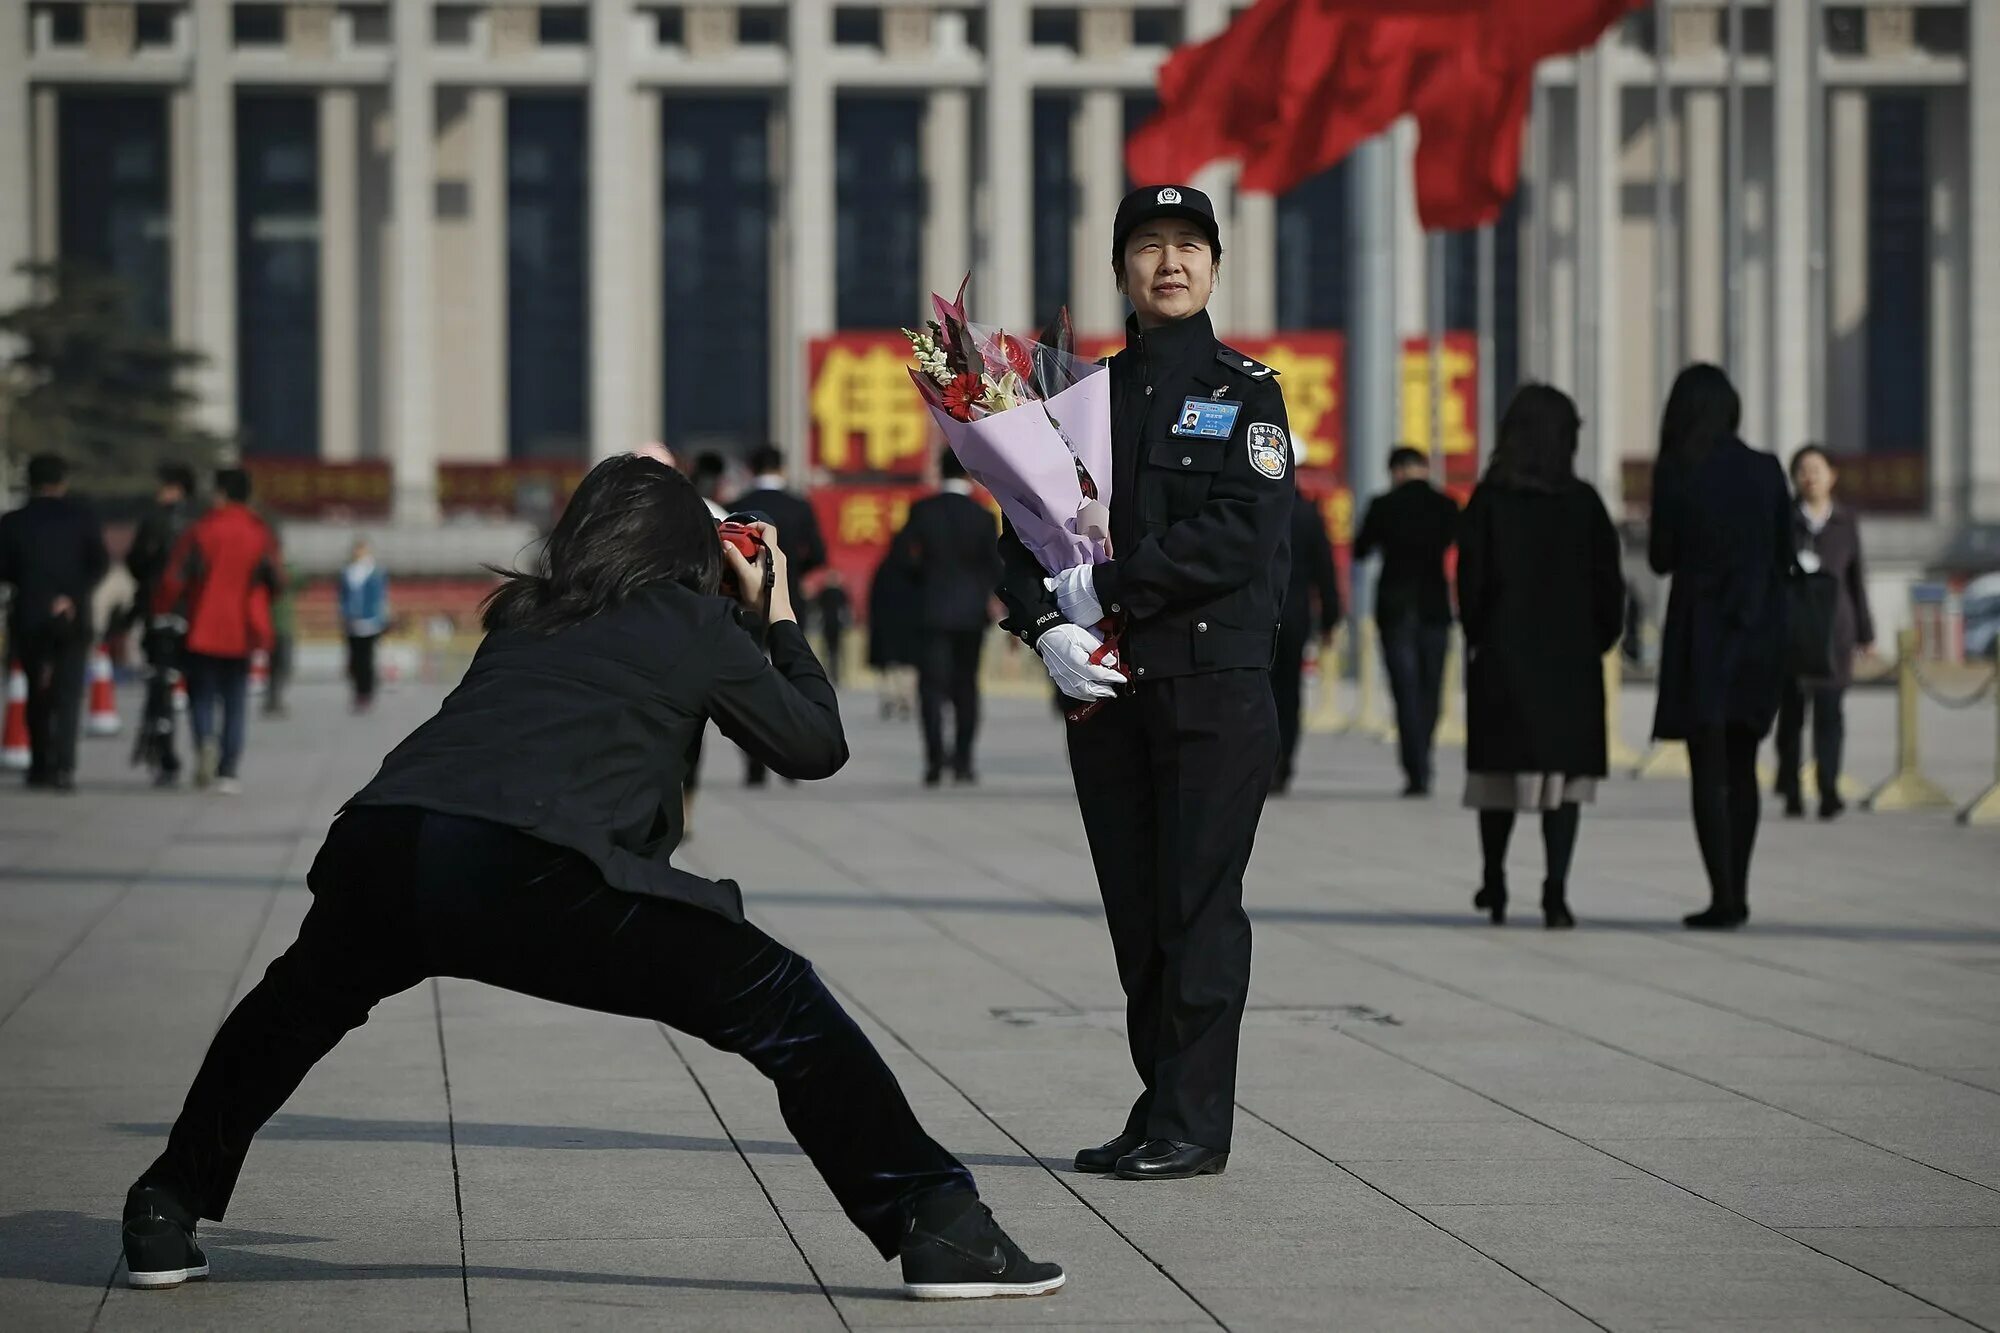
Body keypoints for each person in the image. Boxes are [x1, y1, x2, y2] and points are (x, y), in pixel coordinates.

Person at [117, 453, 1064, 1301]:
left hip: (388, 839)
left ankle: (166, 1201)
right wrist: (774, 610)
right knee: (784, 1002)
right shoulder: (694, 619)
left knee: (291, 1010)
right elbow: (813, 745)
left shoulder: (525, 612)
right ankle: (939, 1227)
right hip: (536, 865)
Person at [997, 183, 1292, 1182]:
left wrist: (1106, 584)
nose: (1168, 263)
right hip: (1109, 692)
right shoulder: (1079, 401)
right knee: (1135, 907)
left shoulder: (1248, 391)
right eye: (1147, 246)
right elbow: (1021, 539)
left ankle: (1194, 1125)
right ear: (1119, 267)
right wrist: (1044, 627)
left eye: (1187, 247)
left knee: (1197, 908)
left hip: (1214, 687)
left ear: (1213, 265)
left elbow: (1240, 533)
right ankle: (1157, 1100)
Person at [1457, 386, 1625, 929]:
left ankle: (1495, 879)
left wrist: (1481, 636)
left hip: (1504, 659)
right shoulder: (1584, 503)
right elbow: (1610, 590)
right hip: (1569, 666)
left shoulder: (1489, 500)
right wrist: (1596, 642)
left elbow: (1470, 583)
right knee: (1564, 786)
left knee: (1497, 780)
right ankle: (1555, 891)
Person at [1649, 364, 1792, 930]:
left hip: (1701, 633)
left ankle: (1723, 895)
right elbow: (1784, 552)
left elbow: (1661, 558)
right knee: (1744, 762)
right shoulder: (1765, 469)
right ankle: (1741, 889)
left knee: (1707, 769)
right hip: (1758, 630)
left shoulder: (1679, 471)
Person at [159, 467, 282, 794]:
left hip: (202, 626)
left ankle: (204, 745)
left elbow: (174, 579)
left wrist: (163, 610)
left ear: (222, 493)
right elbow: (276, 579)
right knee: (235, 701)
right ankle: (228, 770)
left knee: (200, 695)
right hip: (242, 629)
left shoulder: (200, 531)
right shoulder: (260, 533)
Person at [1775, 444, 1875, 820]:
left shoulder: (1845, 522)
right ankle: (1790, 786)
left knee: (1830, 715)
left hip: (1836, 631)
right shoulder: (1785, 519)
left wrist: (1866, 631)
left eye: (1817, 469)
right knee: (1791, 717)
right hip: (1793, 631)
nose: (1810, 476)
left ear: (1832, 475)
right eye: (1802, 469)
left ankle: (1829, 788)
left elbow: (1857, 578)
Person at [1353, 445, 1460, 796]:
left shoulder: (1384, 506)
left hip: (1395, 609)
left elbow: (1361, 549)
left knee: (1406, 692)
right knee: (1431, 689)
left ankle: (1416, 769)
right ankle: (1423, 753)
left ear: (1396, 470)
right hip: (1434, 607)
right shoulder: (1445, 505)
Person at [0, 454, 109, 791]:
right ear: (62, 482)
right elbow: (99, 564)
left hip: (30, 616)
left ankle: (40, 764)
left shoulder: (13, 521)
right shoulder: (82, 518)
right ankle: (64, 766)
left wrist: (36, 592)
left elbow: (4, 569)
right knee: (68, 692)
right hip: (73, 618)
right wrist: (70, 596)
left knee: (36, 691)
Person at [900, 451, 1003, 785]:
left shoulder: (922, 511)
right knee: (966, 687)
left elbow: (903, 559)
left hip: (930, 611)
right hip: (971, 614)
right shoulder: (982, 516)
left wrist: (921, 582)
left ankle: (933, 762)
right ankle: (964, 761)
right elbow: (995, 567)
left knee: (931, 688)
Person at [732, 444, 828, 785]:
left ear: (750, 468)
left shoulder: (737, 507)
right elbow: (818, 553)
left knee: (748, 683)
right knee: (792, 676)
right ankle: (793, 757)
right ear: (782, 469)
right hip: (787, 601)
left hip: (741, 603)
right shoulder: (799, 507)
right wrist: (791, 574)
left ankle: (756, 763)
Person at [1271, 467, 1343, 795]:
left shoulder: (1259, 509)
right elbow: (1325, 572)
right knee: (1289, 693)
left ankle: (1265, 762)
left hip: (1257, 617)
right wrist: (1331, 619)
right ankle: (1285, 762)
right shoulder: (1309, 516)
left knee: (1260, 692)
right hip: (1296, 617)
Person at [126, 464, 196, 783]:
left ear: (176, 488)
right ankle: (205, 750)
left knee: (160, 687)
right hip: (191, 614)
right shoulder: (199, 522)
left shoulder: (154, 521)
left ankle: (164, 754)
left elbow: (135, 562)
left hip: (158, 612)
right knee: (195, 687)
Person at [868, 531, 923, 721]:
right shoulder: (915, 571)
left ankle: (889, 697)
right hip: (911, 626)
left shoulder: (883, 569)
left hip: (886, 626)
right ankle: (906, 699)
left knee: (888, 663)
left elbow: (873, 600)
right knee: (909, 664)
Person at [338, 539, 390, 713]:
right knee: (354, 660)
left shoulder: (376, 572)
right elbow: (343, 596)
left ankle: (366, 693)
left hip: (370, 621)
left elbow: (381, 597)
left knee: (367, 659)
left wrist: (381, 617)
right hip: (351, 622)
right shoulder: (347, 572)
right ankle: (357, 690)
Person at [812, 573, 853, 686]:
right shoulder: (839, 592)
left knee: (829, 652)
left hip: (828, 625)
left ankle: (830, 675)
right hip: (835, 626)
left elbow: (817, 609)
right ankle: (835, 676)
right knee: (835, 652)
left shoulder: (825, 592)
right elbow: (846, 610)